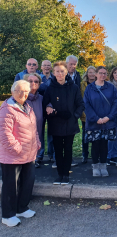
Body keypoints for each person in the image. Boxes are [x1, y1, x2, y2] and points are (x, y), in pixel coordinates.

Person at [0, 80, 41, 227]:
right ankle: (7, 215)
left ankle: (21, 208)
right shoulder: (7, 109)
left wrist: (37, 142)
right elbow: (5, 135)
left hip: (28, 154)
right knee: (11, 186)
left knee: (27, 182)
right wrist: (17, 149)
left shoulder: (27, 107)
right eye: (19, 90)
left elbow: (33, 128)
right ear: (12, 92)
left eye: (26, 91)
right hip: (12, 156)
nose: (23, 93)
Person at [42, 61, 84, 185]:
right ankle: (60, 174)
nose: (60, 74)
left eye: (62, 71)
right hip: (56, 124)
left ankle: (66, 174)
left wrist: (75, 116)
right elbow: (45, 104)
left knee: (68, 149)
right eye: (57, 71)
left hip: (70, 124)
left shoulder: (74, 87)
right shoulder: (50, 89)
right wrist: (48, 109)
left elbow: (80, 104)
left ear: (66, 72)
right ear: (54, 73)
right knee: (58, 150)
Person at [84, 66, 117, 177]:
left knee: (104, 144)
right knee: (95, 144)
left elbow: (115, 102)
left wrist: (108, 117)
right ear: (96, 74)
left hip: (108, 122)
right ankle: (95, 166)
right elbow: (86, 104)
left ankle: (103, 165)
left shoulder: (111, 88)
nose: (103, 75)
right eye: (100, 73)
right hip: (94, 122)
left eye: (105, 73)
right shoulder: (89, 88)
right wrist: (96, 118)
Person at [23, 74, 44, 168]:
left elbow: (50, 103)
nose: (33, 83)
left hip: (37, 130)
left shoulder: (41, 98)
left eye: (36, 81)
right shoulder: (20, 98)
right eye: (30, 81)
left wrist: (50, 106)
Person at [80, 66, 96, 163]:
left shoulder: (99, 84)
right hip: (85, 114)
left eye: (93, 72)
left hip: (96, 114)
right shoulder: (82, 85)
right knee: (85, 136)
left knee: (96, 136)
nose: (91, 74)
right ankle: (85, 155)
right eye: (90, 72)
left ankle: (95, 155)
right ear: (87, 74)